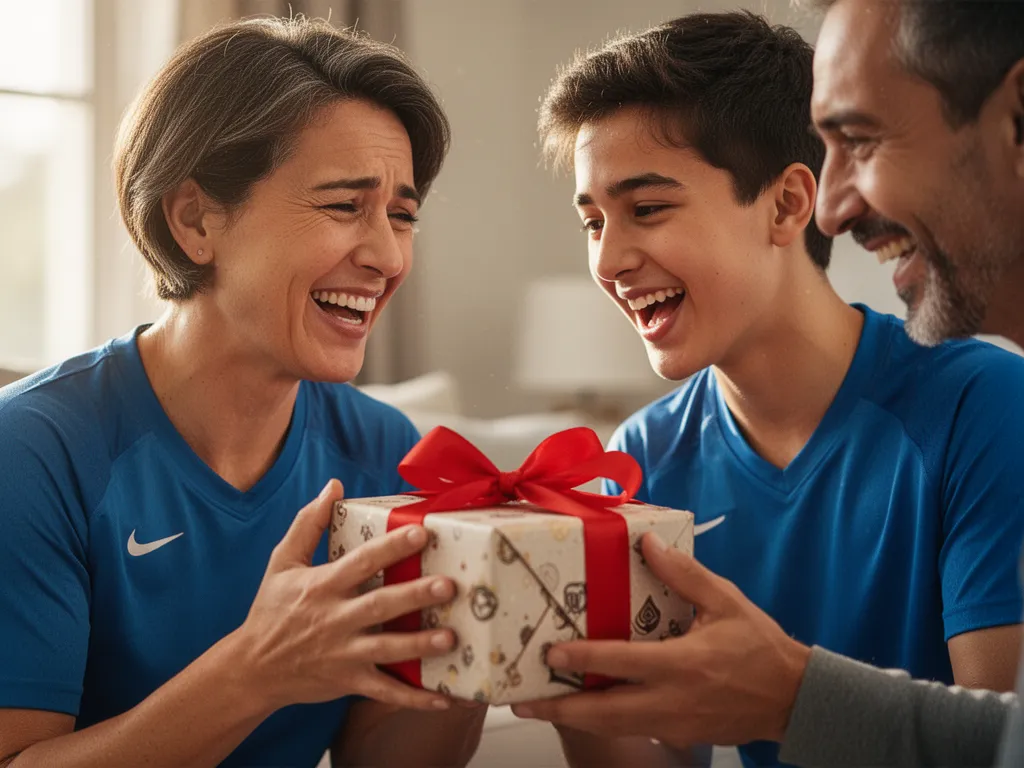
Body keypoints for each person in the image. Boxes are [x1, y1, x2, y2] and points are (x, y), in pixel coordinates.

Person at [512, 6, 1024, 768]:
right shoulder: (640, 457)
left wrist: (788, 693)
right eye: (593, 222)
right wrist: (558, 678)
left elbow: (1000, 741)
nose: (610, 259)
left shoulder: (983, 403)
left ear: (788, 203)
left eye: (647, 209)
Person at [0, 17, 487, 768]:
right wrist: (257, 670)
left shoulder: (393, 456)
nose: (388, 256)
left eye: (402, 215)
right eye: (342, 206)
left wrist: (480, 642)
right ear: (196, 220)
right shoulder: (32, 453)